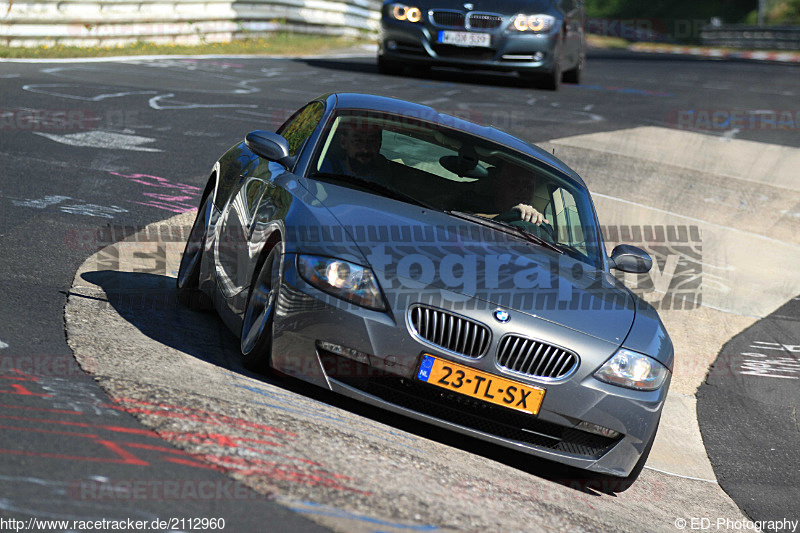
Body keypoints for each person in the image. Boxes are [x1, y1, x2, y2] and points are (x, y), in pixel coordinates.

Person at [320, 123, 396, 185]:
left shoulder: (382, 186)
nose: (365, 149)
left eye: (372, 141)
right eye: (357, 141)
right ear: (343, 142)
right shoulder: (322, 170)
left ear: (379, 145)